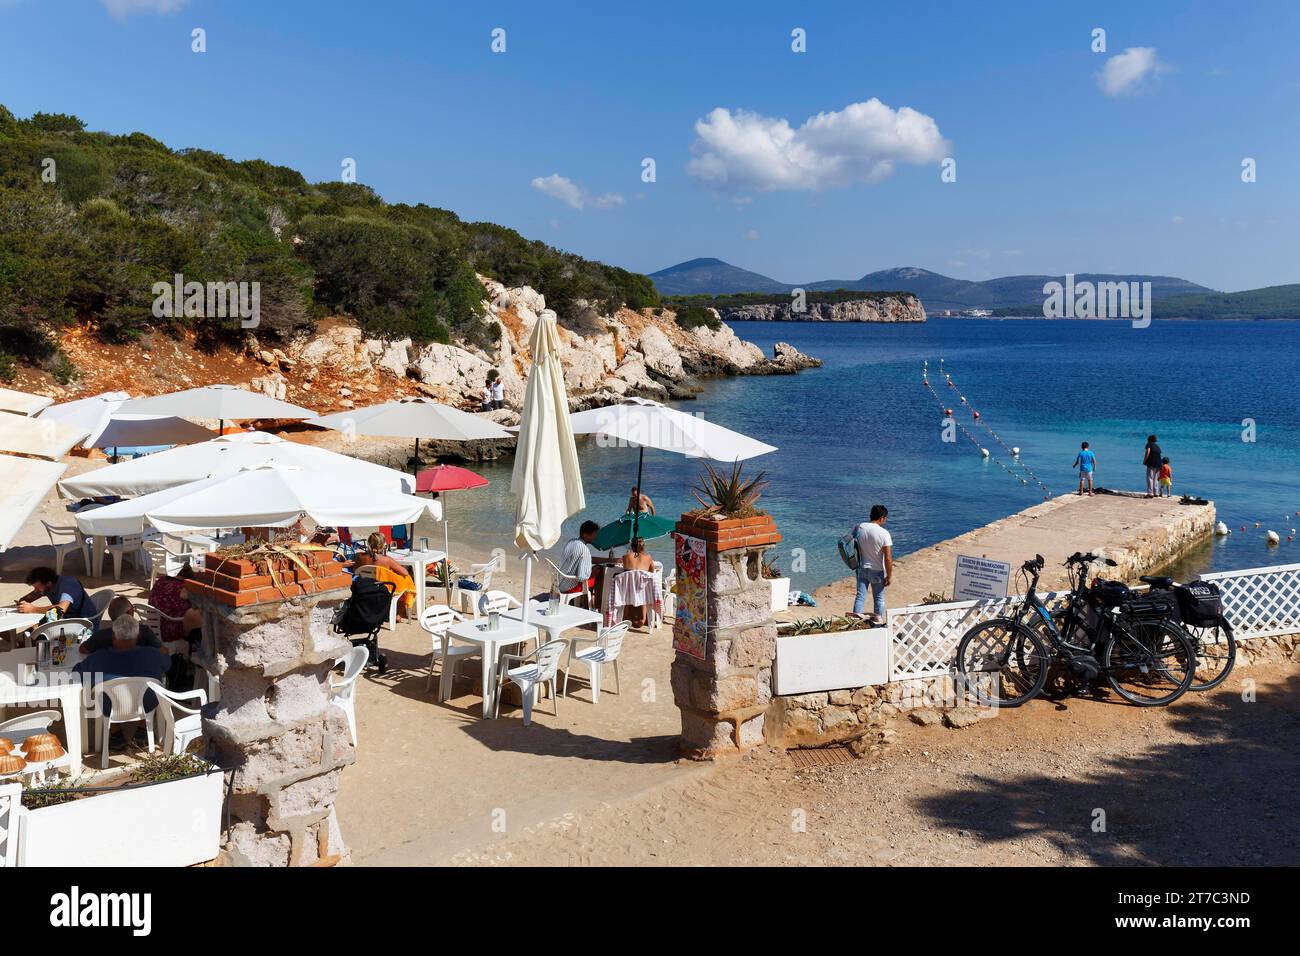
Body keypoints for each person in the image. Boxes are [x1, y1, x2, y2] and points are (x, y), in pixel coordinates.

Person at [74, 615, 170, 737]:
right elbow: (167, 665)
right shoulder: (153, 655)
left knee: (106, 692)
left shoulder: (97, 658)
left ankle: (115, 732)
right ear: (137, 636)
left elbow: (77, 675)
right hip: (147, 703)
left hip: (110, 706)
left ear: (114, 636)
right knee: (147, 684)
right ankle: (142, 728)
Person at [349, 531, 416, 618]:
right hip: (383, 588)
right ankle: (398, 615)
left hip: (366, 587)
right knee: (405, 581)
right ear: (383, 544)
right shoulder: (386, 560)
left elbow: (355, 570)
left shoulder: (360, 557)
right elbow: (405, 572)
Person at [851, 505, 893, 623]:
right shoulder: (884, 533)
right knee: (878, 599)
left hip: (862, 568)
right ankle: (877, 623)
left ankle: (855, 623)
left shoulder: (859, 527)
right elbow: (888, 558)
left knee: (860, 597)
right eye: (885, 518)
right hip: (877, 570)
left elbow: (851, 544)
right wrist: (889, 576)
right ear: (881, 518)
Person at [80, 596, 163, 655]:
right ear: (129, 613)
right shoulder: (144, 631)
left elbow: (83, 649)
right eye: (133, 609)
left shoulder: (100, 635)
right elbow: (163, 651)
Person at [16, 566, 100, 624]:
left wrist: (33, 609)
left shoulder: (68, 586)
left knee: (33, 636)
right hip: (67, 620)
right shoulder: (50, 585)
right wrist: (21, 602)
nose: (36, 591)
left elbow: (60, 609)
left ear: (48, 583)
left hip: (83, 624)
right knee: (27, 636)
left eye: (37, 588)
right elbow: (34, 595)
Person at [149, 563, 204, 647]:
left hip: (152, 625)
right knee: (200, 615)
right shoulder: (182, 587)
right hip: (167, 630)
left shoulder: (161, 580)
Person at [554, 520, 599, 601]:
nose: (595, 537)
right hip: (569, 587)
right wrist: (593, 573)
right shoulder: (584, 550)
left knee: (595, 570)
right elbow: (582, 578)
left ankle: (583, 601)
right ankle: (592, 603)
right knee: (599, 575)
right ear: (585, 535)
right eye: (594, 535)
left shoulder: (571, 542)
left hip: (560, 582)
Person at [620, 536, 656, 628]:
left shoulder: (625, 557)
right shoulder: (648, 557)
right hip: (641, 591)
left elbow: (627, 570)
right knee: (642, 588)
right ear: (643, 547)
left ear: (631, 546)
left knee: (630, 588)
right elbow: (652, 571)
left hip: (627, 590)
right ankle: (642, 619)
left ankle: (625, 617)